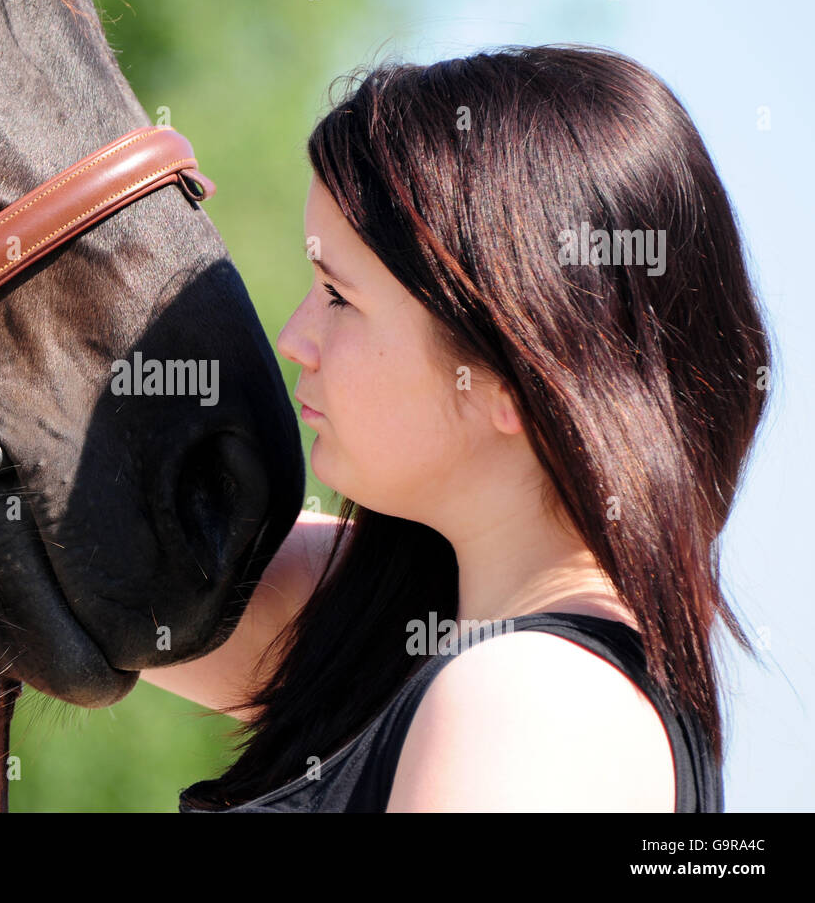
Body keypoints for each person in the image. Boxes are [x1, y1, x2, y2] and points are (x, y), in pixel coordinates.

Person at [141, 43, 773, 812]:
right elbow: (114, 534)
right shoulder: (412, 624)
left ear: (516, 373)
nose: (295, 337)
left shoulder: (529, 707)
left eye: (339, 296)